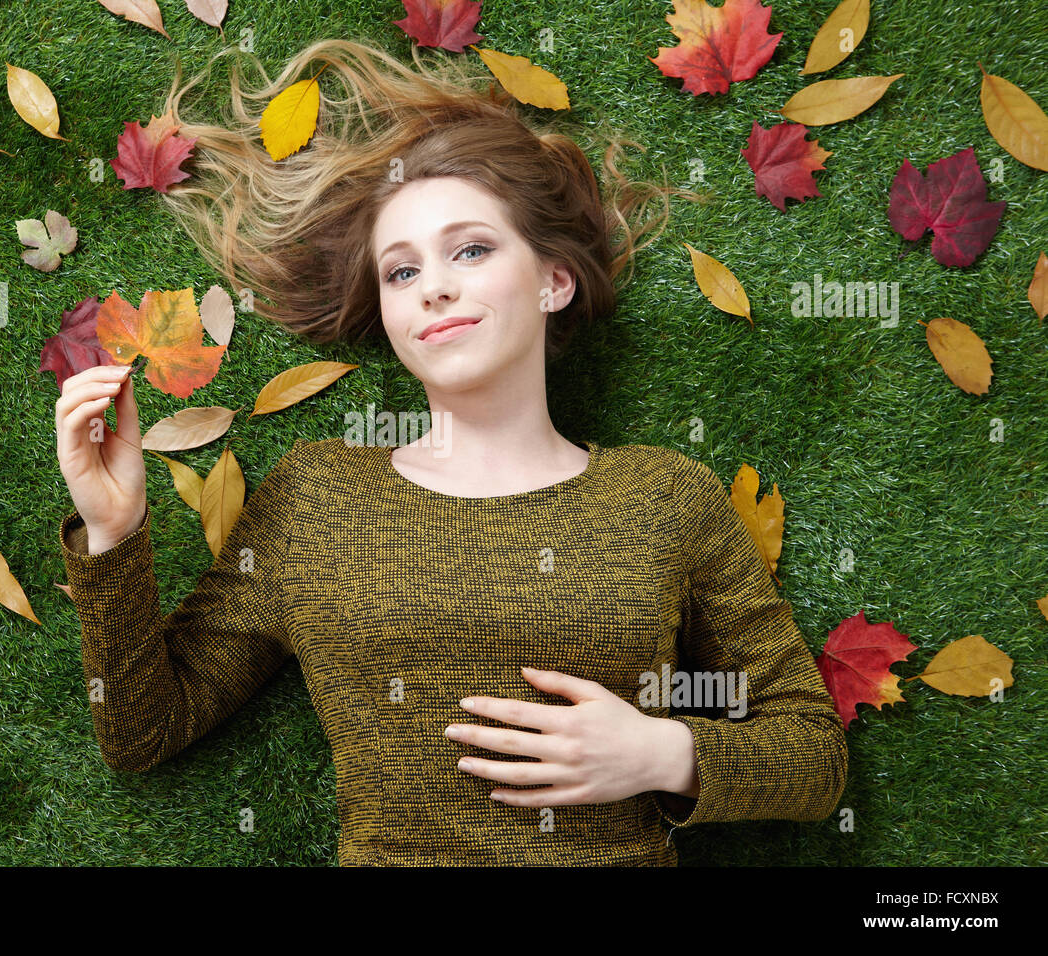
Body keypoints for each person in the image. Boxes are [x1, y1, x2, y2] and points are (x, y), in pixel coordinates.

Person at [54, 38, 848, 865]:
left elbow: (814, 757)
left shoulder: (663, 495)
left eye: (471, 250)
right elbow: (144, 731)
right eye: (401, 272)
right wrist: (113, 534)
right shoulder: (318, 496)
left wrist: (660, 754)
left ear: (553, 281)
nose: (433, 285)